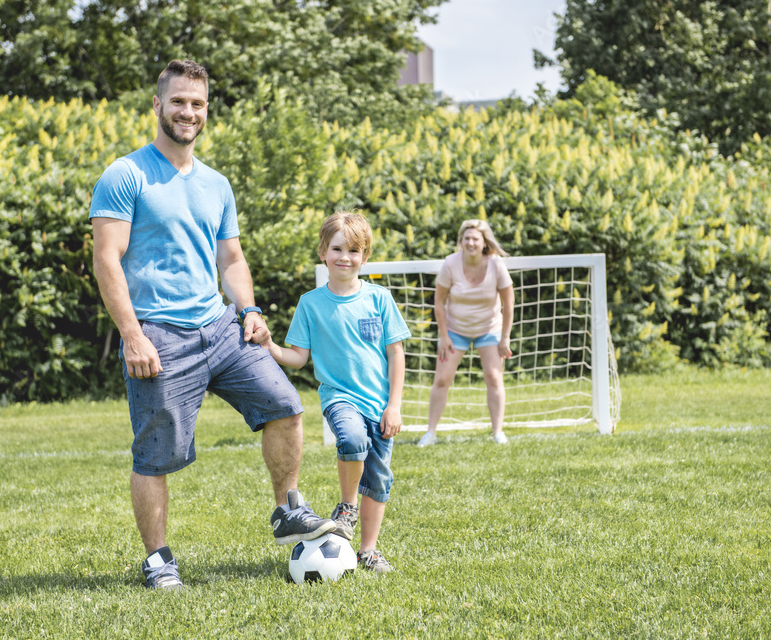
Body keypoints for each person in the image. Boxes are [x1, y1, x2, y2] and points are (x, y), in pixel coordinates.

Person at [89, 59, 335, 591]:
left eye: (197, 103)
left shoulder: (217, 184)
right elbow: (107, 259)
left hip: (222, 327)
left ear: (207, 111)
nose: (188, 112)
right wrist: (132, 334)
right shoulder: (125, 174)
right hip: (158, 335)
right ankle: (158, 560)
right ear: (157, 105)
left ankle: (288, 509)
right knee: (156, 455)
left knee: (286, 407)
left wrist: (248, 309)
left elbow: (231, 260)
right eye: (178, 101)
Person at [263, 212, 410, 574]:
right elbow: (297, 357)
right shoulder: (311, 304)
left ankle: (369, 551)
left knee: (378, 481)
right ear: (323, 252)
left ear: (365, 256)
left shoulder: (379, 299)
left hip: (380, 404)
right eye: (338, 248)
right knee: (351, 438)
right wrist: (269, 345)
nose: (346, 257)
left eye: (354, 250)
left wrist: (394, 406)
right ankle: (346, 507)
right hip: (340, 398)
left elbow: (396, 354)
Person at [418, 219, 514, 447]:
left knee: (493, 376)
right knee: (442, 379)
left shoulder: (496, 265)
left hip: (489, 328)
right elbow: (439, 302)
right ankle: (430, 433)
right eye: (467, 238)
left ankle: (498, 432)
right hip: (454, 329)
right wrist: (444, 336)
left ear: (484, 243)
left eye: (475, 239)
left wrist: (505, 337)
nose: (471, 242)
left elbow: (508, 304)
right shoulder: (450, 263)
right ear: (461, 242)